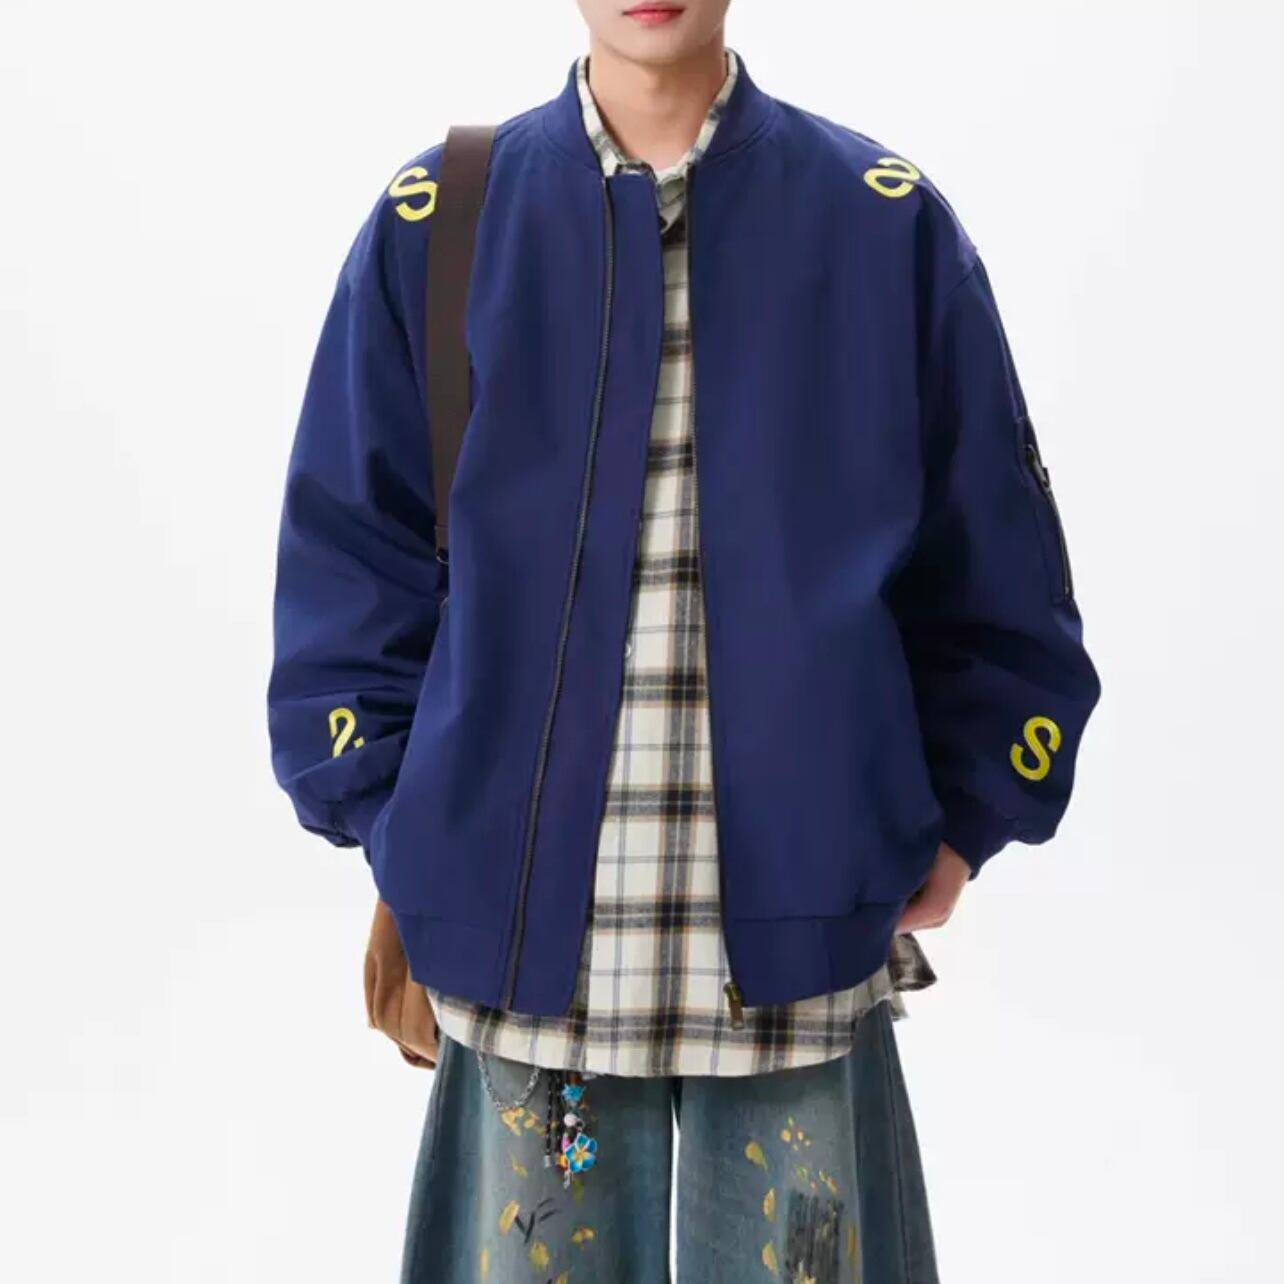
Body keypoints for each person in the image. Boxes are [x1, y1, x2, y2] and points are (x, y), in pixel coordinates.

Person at [266, 1, 1102, 1279]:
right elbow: (349, 556)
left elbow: (994, 556)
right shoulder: (443, 220)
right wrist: (403, 816)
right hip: (523, 950)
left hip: (799, 945)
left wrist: (968, 812)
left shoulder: (879, 222)